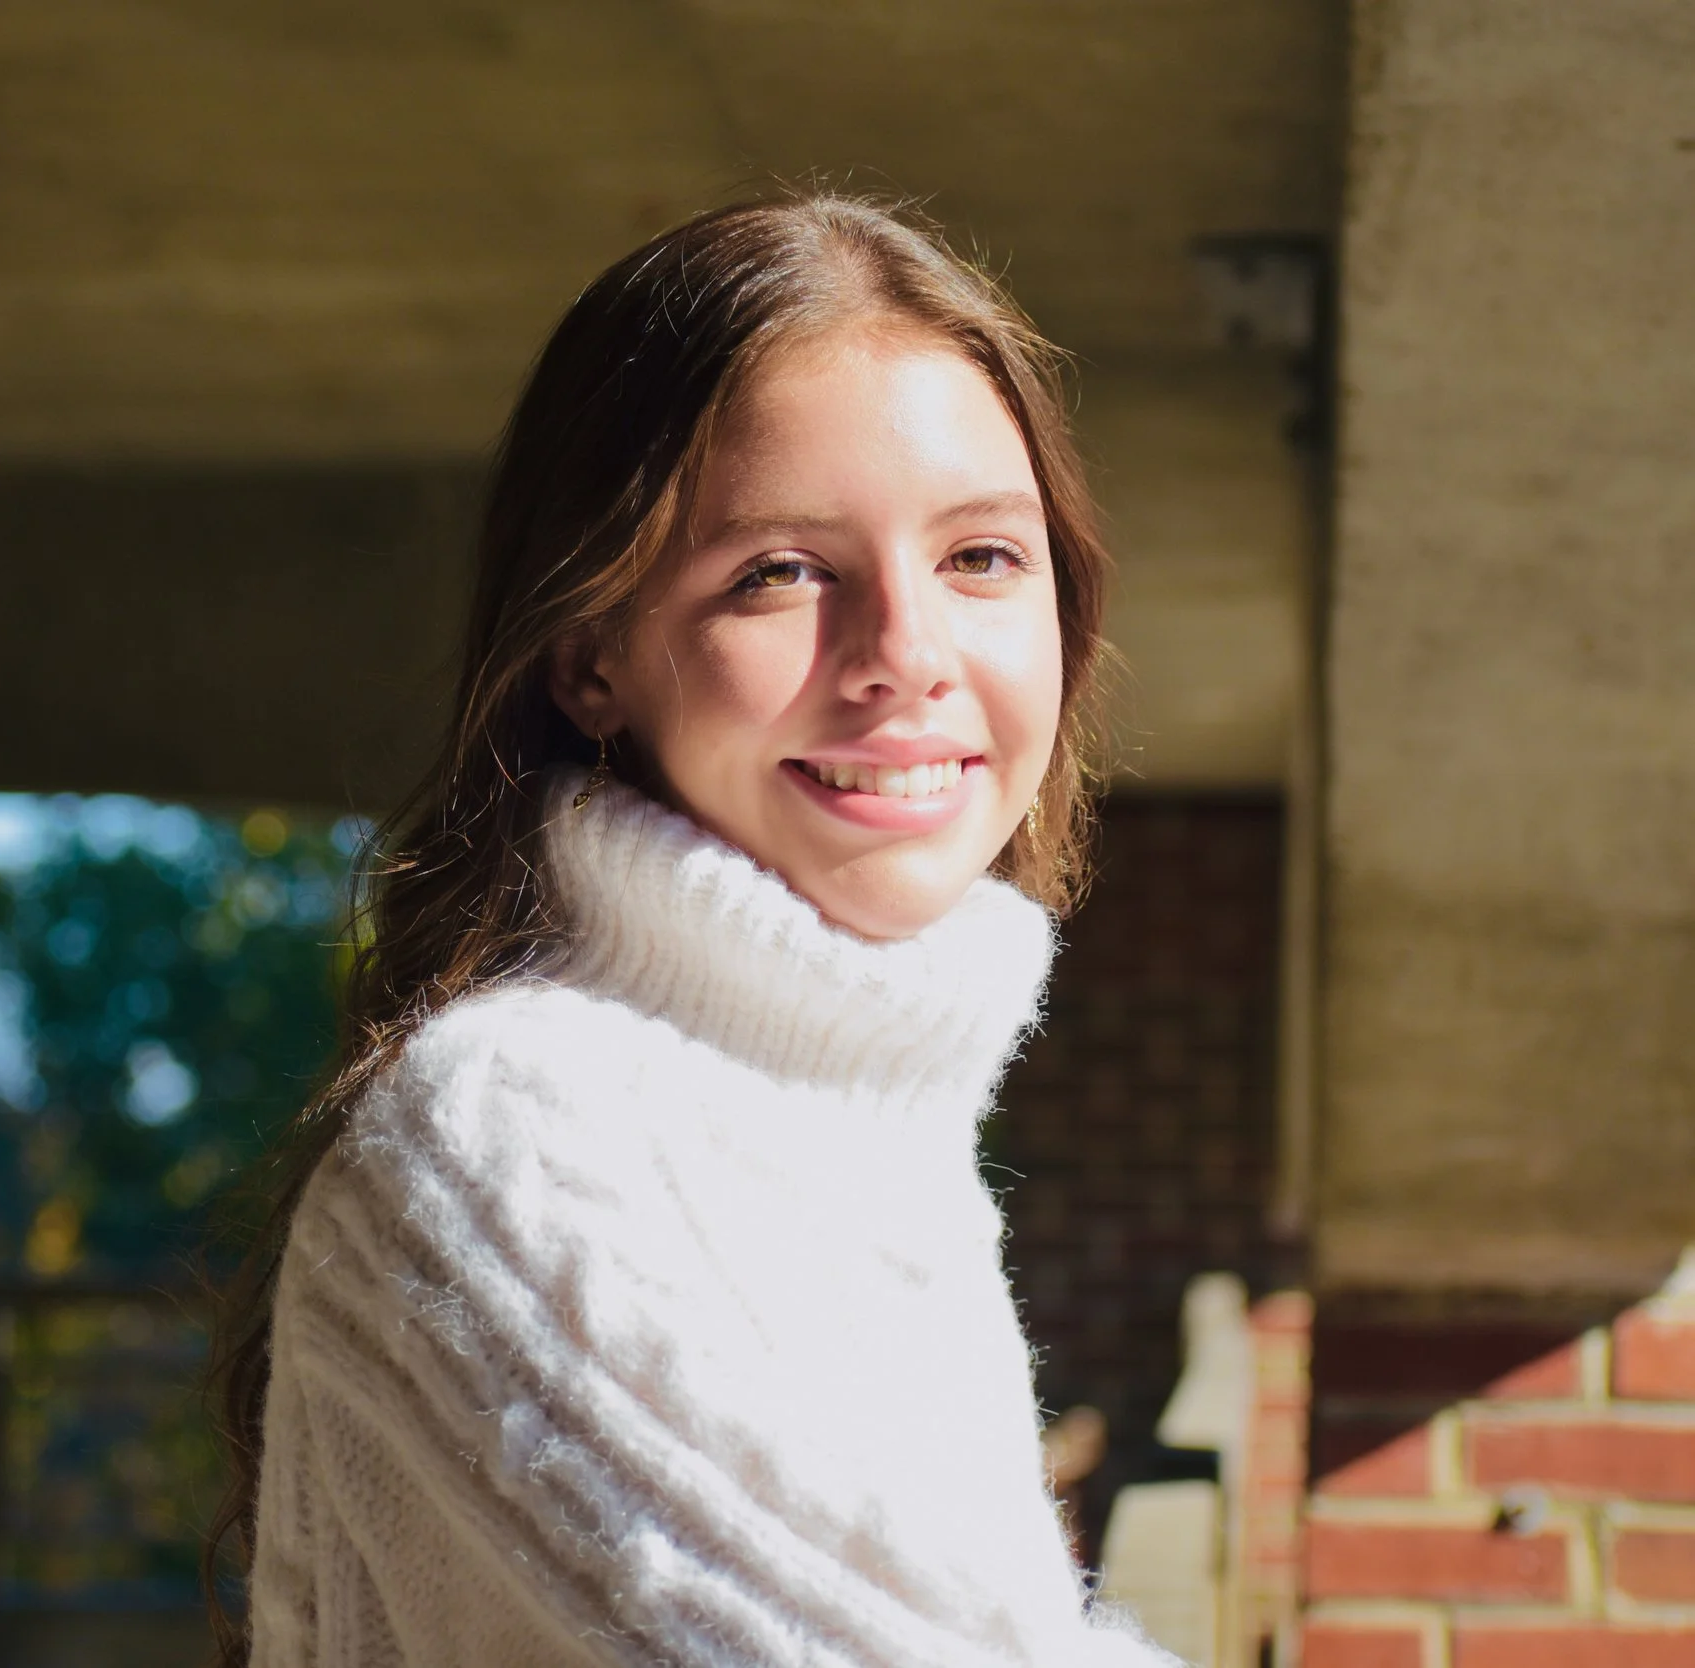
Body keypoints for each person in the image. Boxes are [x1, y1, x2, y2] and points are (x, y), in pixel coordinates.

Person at [204, 194, 1175, 1667]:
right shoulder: (513, 1123)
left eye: (981, 558)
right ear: (591, 659)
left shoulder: (867, 1137)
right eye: (780, 573)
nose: (905, 657)